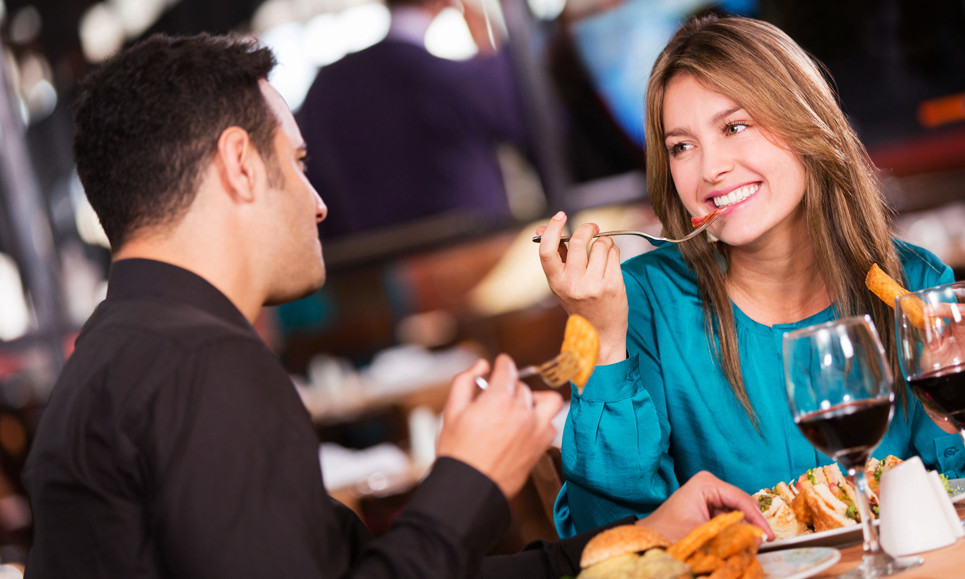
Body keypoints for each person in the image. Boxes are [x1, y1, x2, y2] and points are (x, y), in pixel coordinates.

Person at [21, 32, 770, 578]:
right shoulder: (203, 363)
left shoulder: (121, 356)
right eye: (299, 162)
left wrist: (636, 539)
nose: (318, 204)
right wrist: (469, 476)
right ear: (240, 164)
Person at [536, 13, 965, 538]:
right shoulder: (639, 304)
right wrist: (601, 340)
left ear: (807, 124)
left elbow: (955, 498)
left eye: (735, 126)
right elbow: (614, 539)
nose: (709, 168)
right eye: (681, 146)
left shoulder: (915, 283)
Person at [296, 0, 532, 240]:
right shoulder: (448, 79)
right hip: (469, 252)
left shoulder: (326, 85)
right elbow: (525, 122)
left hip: (369, 265)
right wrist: (487, 43)